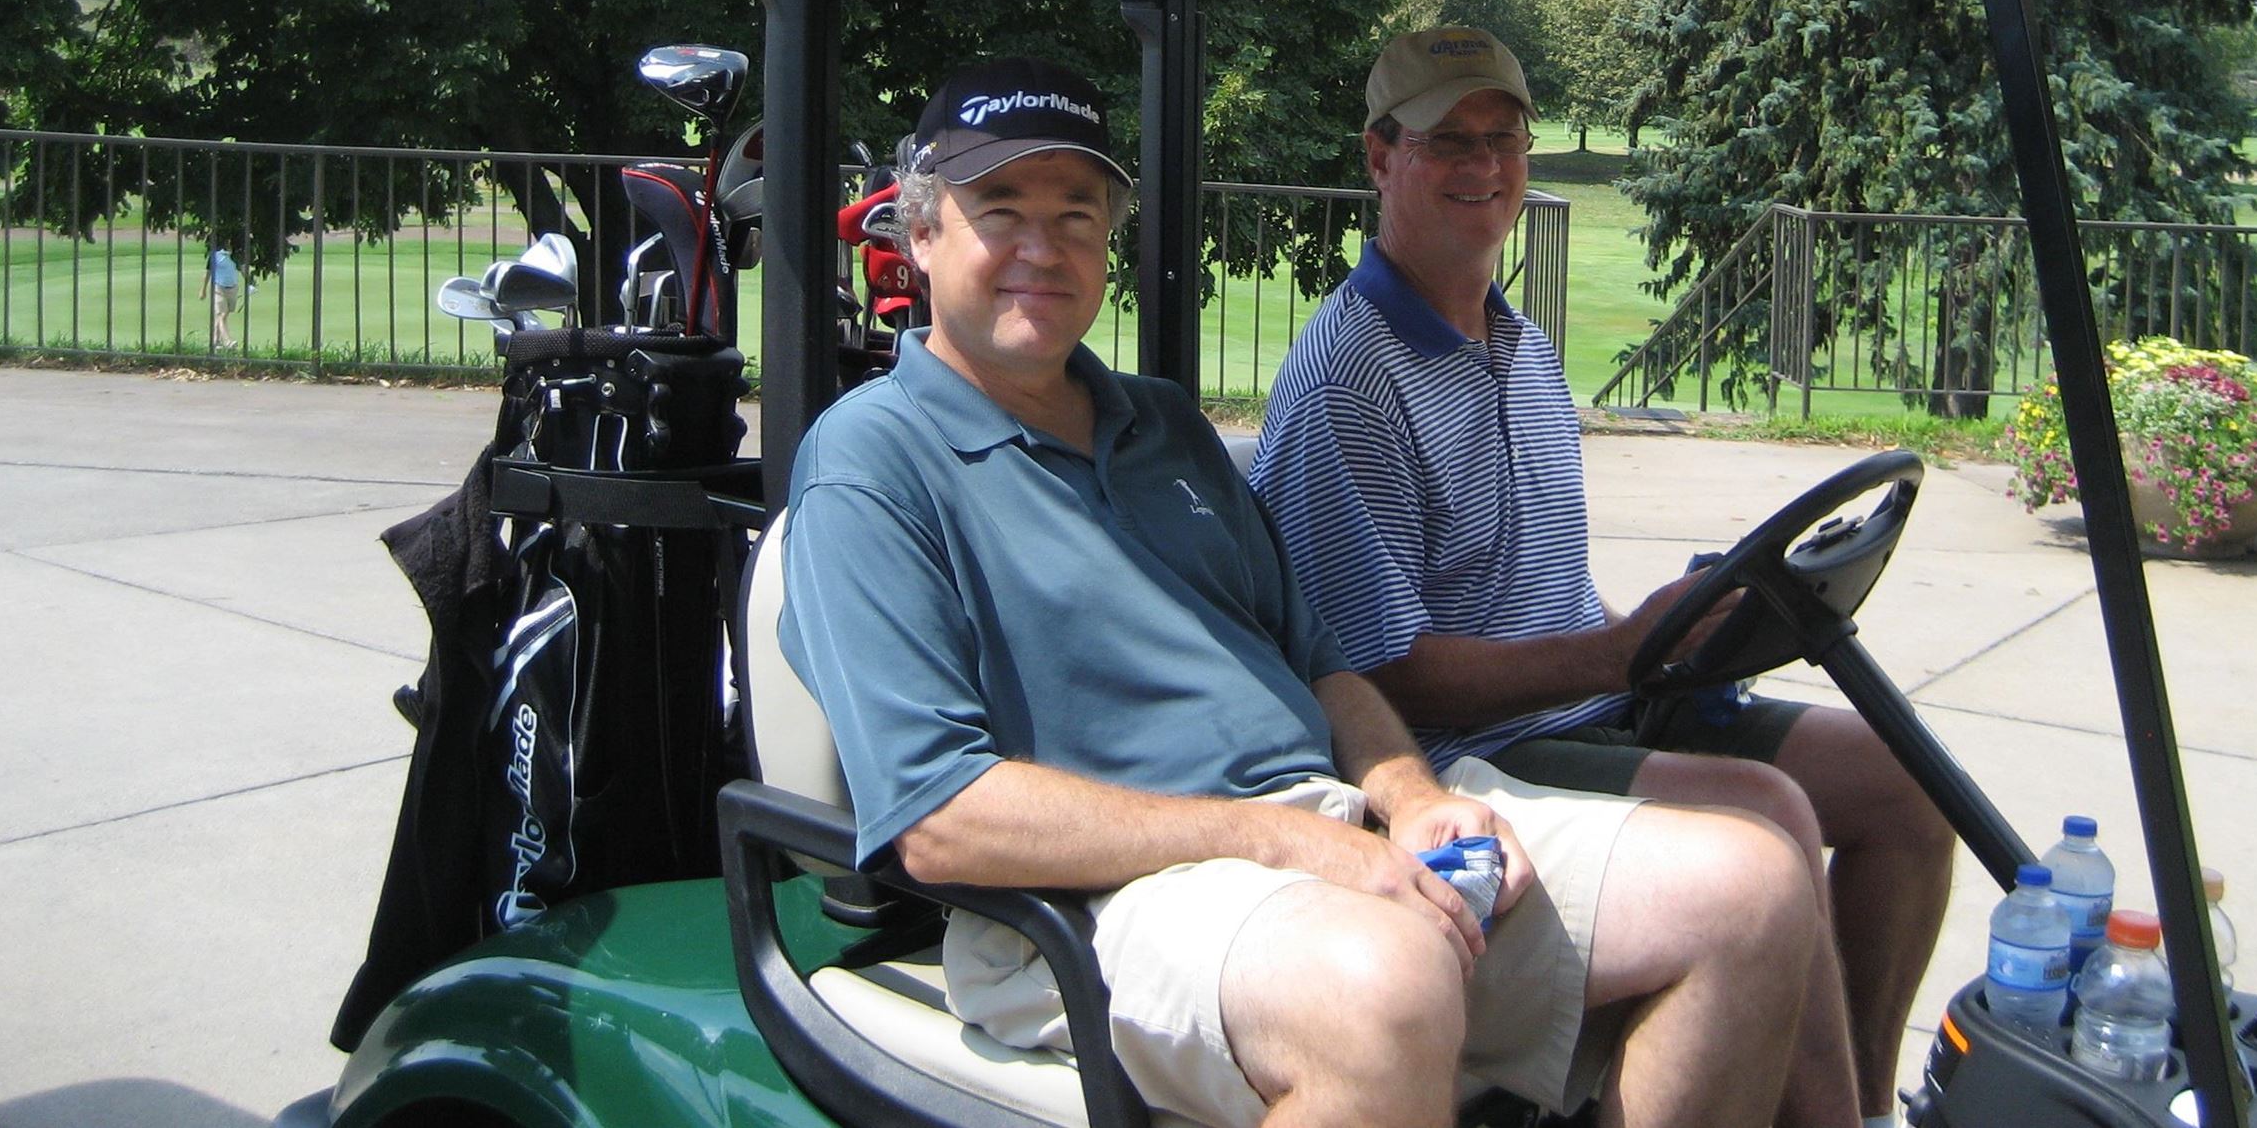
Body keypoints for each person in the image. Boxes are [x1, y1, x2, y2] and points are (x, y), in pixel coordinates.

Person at [779, 55, 1842, 1128]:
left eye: (1076, 215)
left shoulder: (1163, 425)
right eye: (1001, 211)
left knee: (1750, 889)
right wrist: (1280, 839)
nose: (1042, 249)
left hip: (1328, 832)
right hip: (1099, 900)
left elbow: (1322, 662)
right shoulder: (872, 463)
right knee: (1386, 983)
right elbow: (942, 817)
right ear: (923, 235)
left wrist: (1412, 800)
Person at [1250, 26, 1956, 1128]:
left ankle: (1861, 1101)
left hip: (1598, 703)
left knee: (1900, 779)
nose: (1484, 166)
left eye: (1503, 139)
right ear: (1381, 158)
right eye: (1447, 142)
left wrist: (1669, 638)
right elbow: (1381, 674)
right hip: (1467, 760)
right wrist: (1621, 652)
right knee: (1766, 811)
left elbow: (1547, 594)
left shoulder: (1520, 346)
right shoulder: (1348, 379)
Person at [203, 245, 243, 349]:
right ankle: (227, 341)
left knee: (224, 315)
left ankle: (215, 341)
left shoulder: (235, 255)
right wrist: (203, 289)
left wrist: (250, 282)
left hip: (232, 288)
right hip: (218, 287)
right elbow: (208, 272)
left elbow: (242, 269)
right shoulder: (214, 256)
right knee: (221, 314)